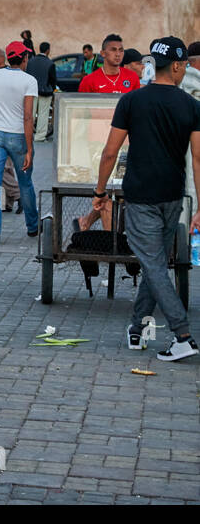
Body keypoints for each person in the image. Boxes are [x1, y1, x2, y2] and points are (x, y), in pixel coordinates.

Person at [94, 37, 199, 362]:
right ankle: (137, 328)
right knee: (153, 262)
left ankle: (181, 335)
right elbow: (199, 160)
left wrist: (99, 192)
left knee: (152, 264)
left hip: (139, 195)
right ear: (179, 66)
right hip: (172, 195)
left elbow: (110, 151)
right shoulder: (191, 106)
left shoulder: (132, 101)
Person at [0, 41, 39, 244]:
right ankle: (32, 226)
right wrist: (30, 149)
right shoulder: (30, 80)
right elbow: (28, 116)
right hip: (19, 136)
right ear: (24, 59)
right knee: (25, 183)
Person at [26, 41, 58, 142]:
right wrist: (53, 89)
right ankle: (40, 136)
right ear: (48, 50)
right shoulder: (50, 63)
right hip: (45, 92)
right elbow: (53, 80)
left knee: (30, 113)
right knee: (43, 114)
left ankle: (28, 134)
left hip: (31, 91)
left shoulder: (30, 62)